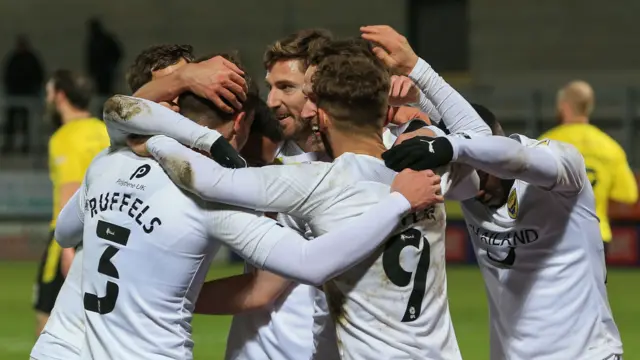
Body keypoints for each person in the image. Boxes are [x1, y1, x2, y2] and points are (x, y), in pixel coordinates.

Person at [109, 39, 490, 358]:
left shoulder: (312, 180)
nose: (276, 101)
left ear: (319, 112)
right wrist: (421, 114)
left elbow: (212, 181)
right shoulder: (423, 161)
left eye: (294, 89)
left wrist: (152, 139)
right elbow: (481, 141)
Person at [54, 81, 442, 359]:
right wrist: (397, 203)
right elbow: (312, 263)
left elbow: (65, 232)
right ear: (240, 124)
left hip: (58, 349)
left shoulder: (108, 162)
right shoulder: (210, 204)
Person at [371, 25, 624, 360]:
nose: (473, 187)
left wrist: (451, 141)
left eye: (475, 166)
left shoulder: (561, 166)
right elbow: (447, 135)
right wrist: (407, 105)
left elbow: (511, 157)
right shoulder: (470, 185)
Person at [30, 44, 196, 360]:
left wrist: (68, 248)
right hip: (116, 229)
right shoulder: (101, 134)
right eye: (172, 88)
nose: (176, 100)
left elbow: (69, 199)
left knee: (48, 318)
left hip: (81, 237)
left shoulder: (80, 143)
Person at [32, 70, 109, 339]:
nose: (48, 98)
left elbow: (70, 190)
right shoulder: (105, 130)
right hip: (108, 233)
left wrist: (67, 246)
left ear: (61, 96)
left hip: (70, 235)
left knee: (46, 317)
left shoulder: (64, 137)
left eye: (49, 92)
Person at [540, 80, 638, 255]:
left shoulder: (547, 143)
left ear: (563, 105)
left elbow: (527, 192)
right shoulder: (610, 147)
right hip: (597, 235)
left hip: (557, 236)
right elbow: (628, 196)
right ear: (589, 107)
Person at [2, 34, 44, 153]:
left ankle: (25, 147)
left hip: (26, 96)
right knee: (11, 123)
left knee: (25, 124)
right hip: (15, 95)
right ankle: (9, 145)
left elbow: (38, 76)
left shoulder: (29, 59)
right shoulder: (15, 58)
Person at [86, 18, 122, 95]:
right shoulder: (95, 41)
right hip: (101, 71)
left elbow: (118, 53)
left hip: (106, 71)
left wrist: (112, 64)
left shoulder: (101, 40)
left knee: (105, 90)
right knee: (103, 91)